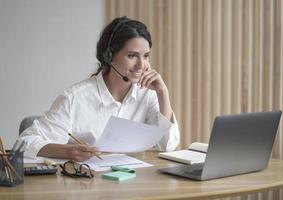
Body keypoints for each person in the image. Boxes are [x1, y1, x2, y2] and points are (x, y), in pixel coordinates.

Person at [18, 16, 180, 162]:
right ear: (109, 56)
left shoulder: (148, 95)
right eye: (132, 55)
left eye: (145, 56)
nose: (141, 65)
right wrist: (67, 151)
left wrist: (162, 93)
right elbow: (25, 142)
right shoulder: (75, 98)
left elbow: (168, 145)